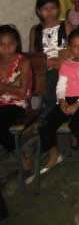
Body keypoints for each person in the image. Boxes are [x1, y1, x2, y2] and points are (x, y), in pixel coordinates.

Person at [36, 29, 79, 178]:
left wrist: (77, 105)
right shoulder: (66, 64)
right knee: (46, 125)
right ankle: (54, 155)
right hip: (67, 100)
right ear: (70, 47)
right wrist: (61, 101)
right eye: (75, 46)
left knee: (77, 125)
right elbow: (61, 85)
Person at [0, 25, 33, 174]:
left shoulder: (23, 62)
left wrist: (3, 87)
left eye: (10, 43)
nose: (6, 48)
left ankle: (21, 156)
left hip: (17, 104)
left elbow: (22, 92)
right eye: (2, 44)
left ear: (17, 43)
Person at [29, 0, 68, 112]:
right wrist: (47, 63)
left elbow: (72, 49)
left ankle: (54, 108)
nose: (49, 12)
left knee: (55, 76)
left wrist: (59, 62)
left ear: (58, 9)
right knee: (46, 77)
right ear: (38, 11)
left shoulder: (65, 25)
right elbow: (33, 55)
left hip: (63, 64)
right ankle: (52, 108)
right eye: (45, 9)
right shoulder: (35, 30)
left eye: (53, 8)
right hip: (44, 65)